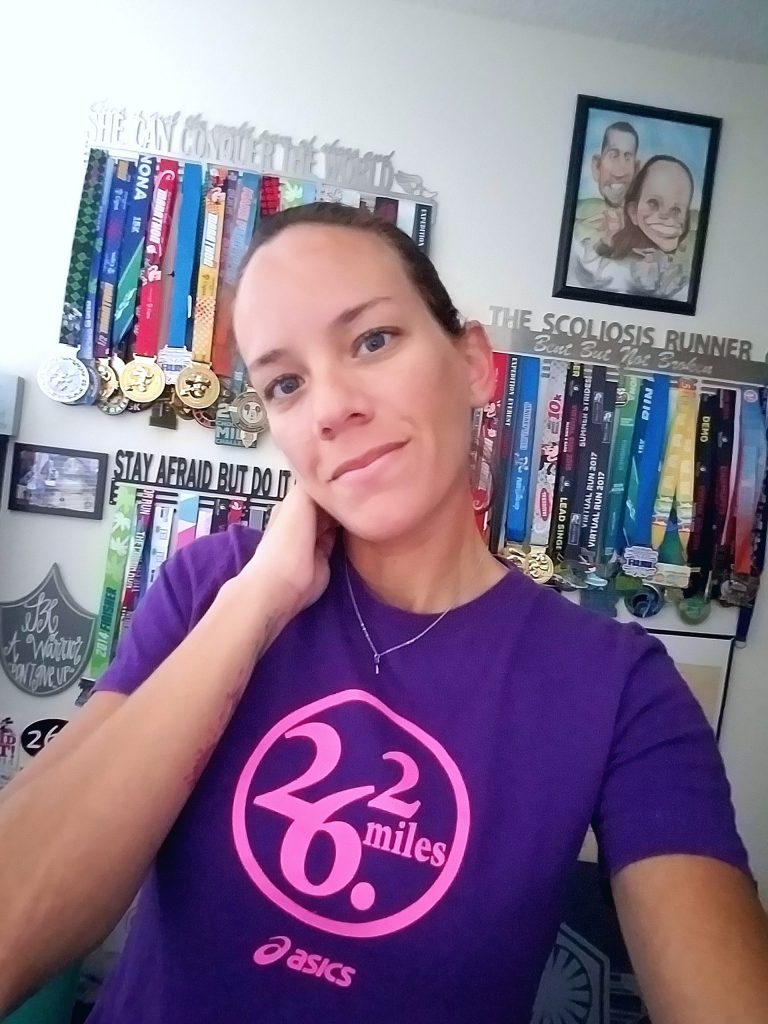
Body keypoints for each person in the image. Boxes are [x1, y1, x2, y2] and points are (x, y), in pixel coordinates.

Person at [1, 203, 767, 1023]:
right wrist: (256, 603)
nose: (331, 407)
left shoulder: (619, 690)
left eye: (372, 340)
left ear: (474, 363)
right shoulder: (209, 588)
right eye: (286, 383)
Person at [572, 155, 696, 301]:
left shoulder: (679, 276)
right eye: (653, 203)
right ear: (633, 212)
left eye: (676, 210)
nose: (665, 215)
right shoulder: (612, 264)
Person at [568, 120, 640, 287]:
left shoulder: (644, 233)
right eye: (613, 155)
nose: (620, 171)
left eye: (627, 157)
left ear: (636, 169)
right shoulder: (576, 227)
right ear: (597, 166)